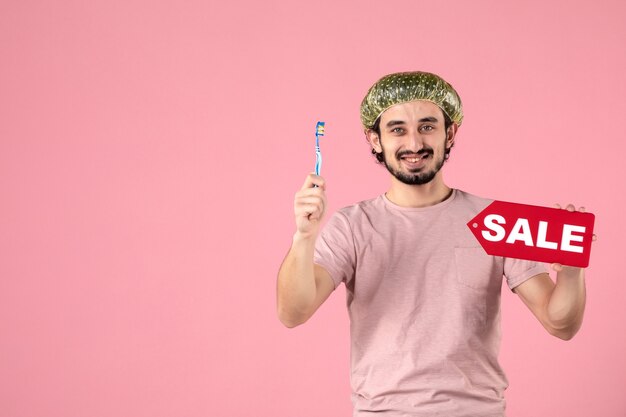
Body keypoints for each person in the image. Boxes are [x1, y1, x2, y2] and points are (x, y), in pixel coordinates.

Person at [276, 71, 588, 417]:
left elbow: (561, 324)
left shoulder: (495, 220)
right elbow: (293, 312)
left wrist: (571, 273)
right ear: (374, 139)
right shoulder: (352, 226)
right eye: (397, 129)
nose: (414, 143)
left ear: (449, 132)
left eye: (427, 126)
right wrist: (304, 238)